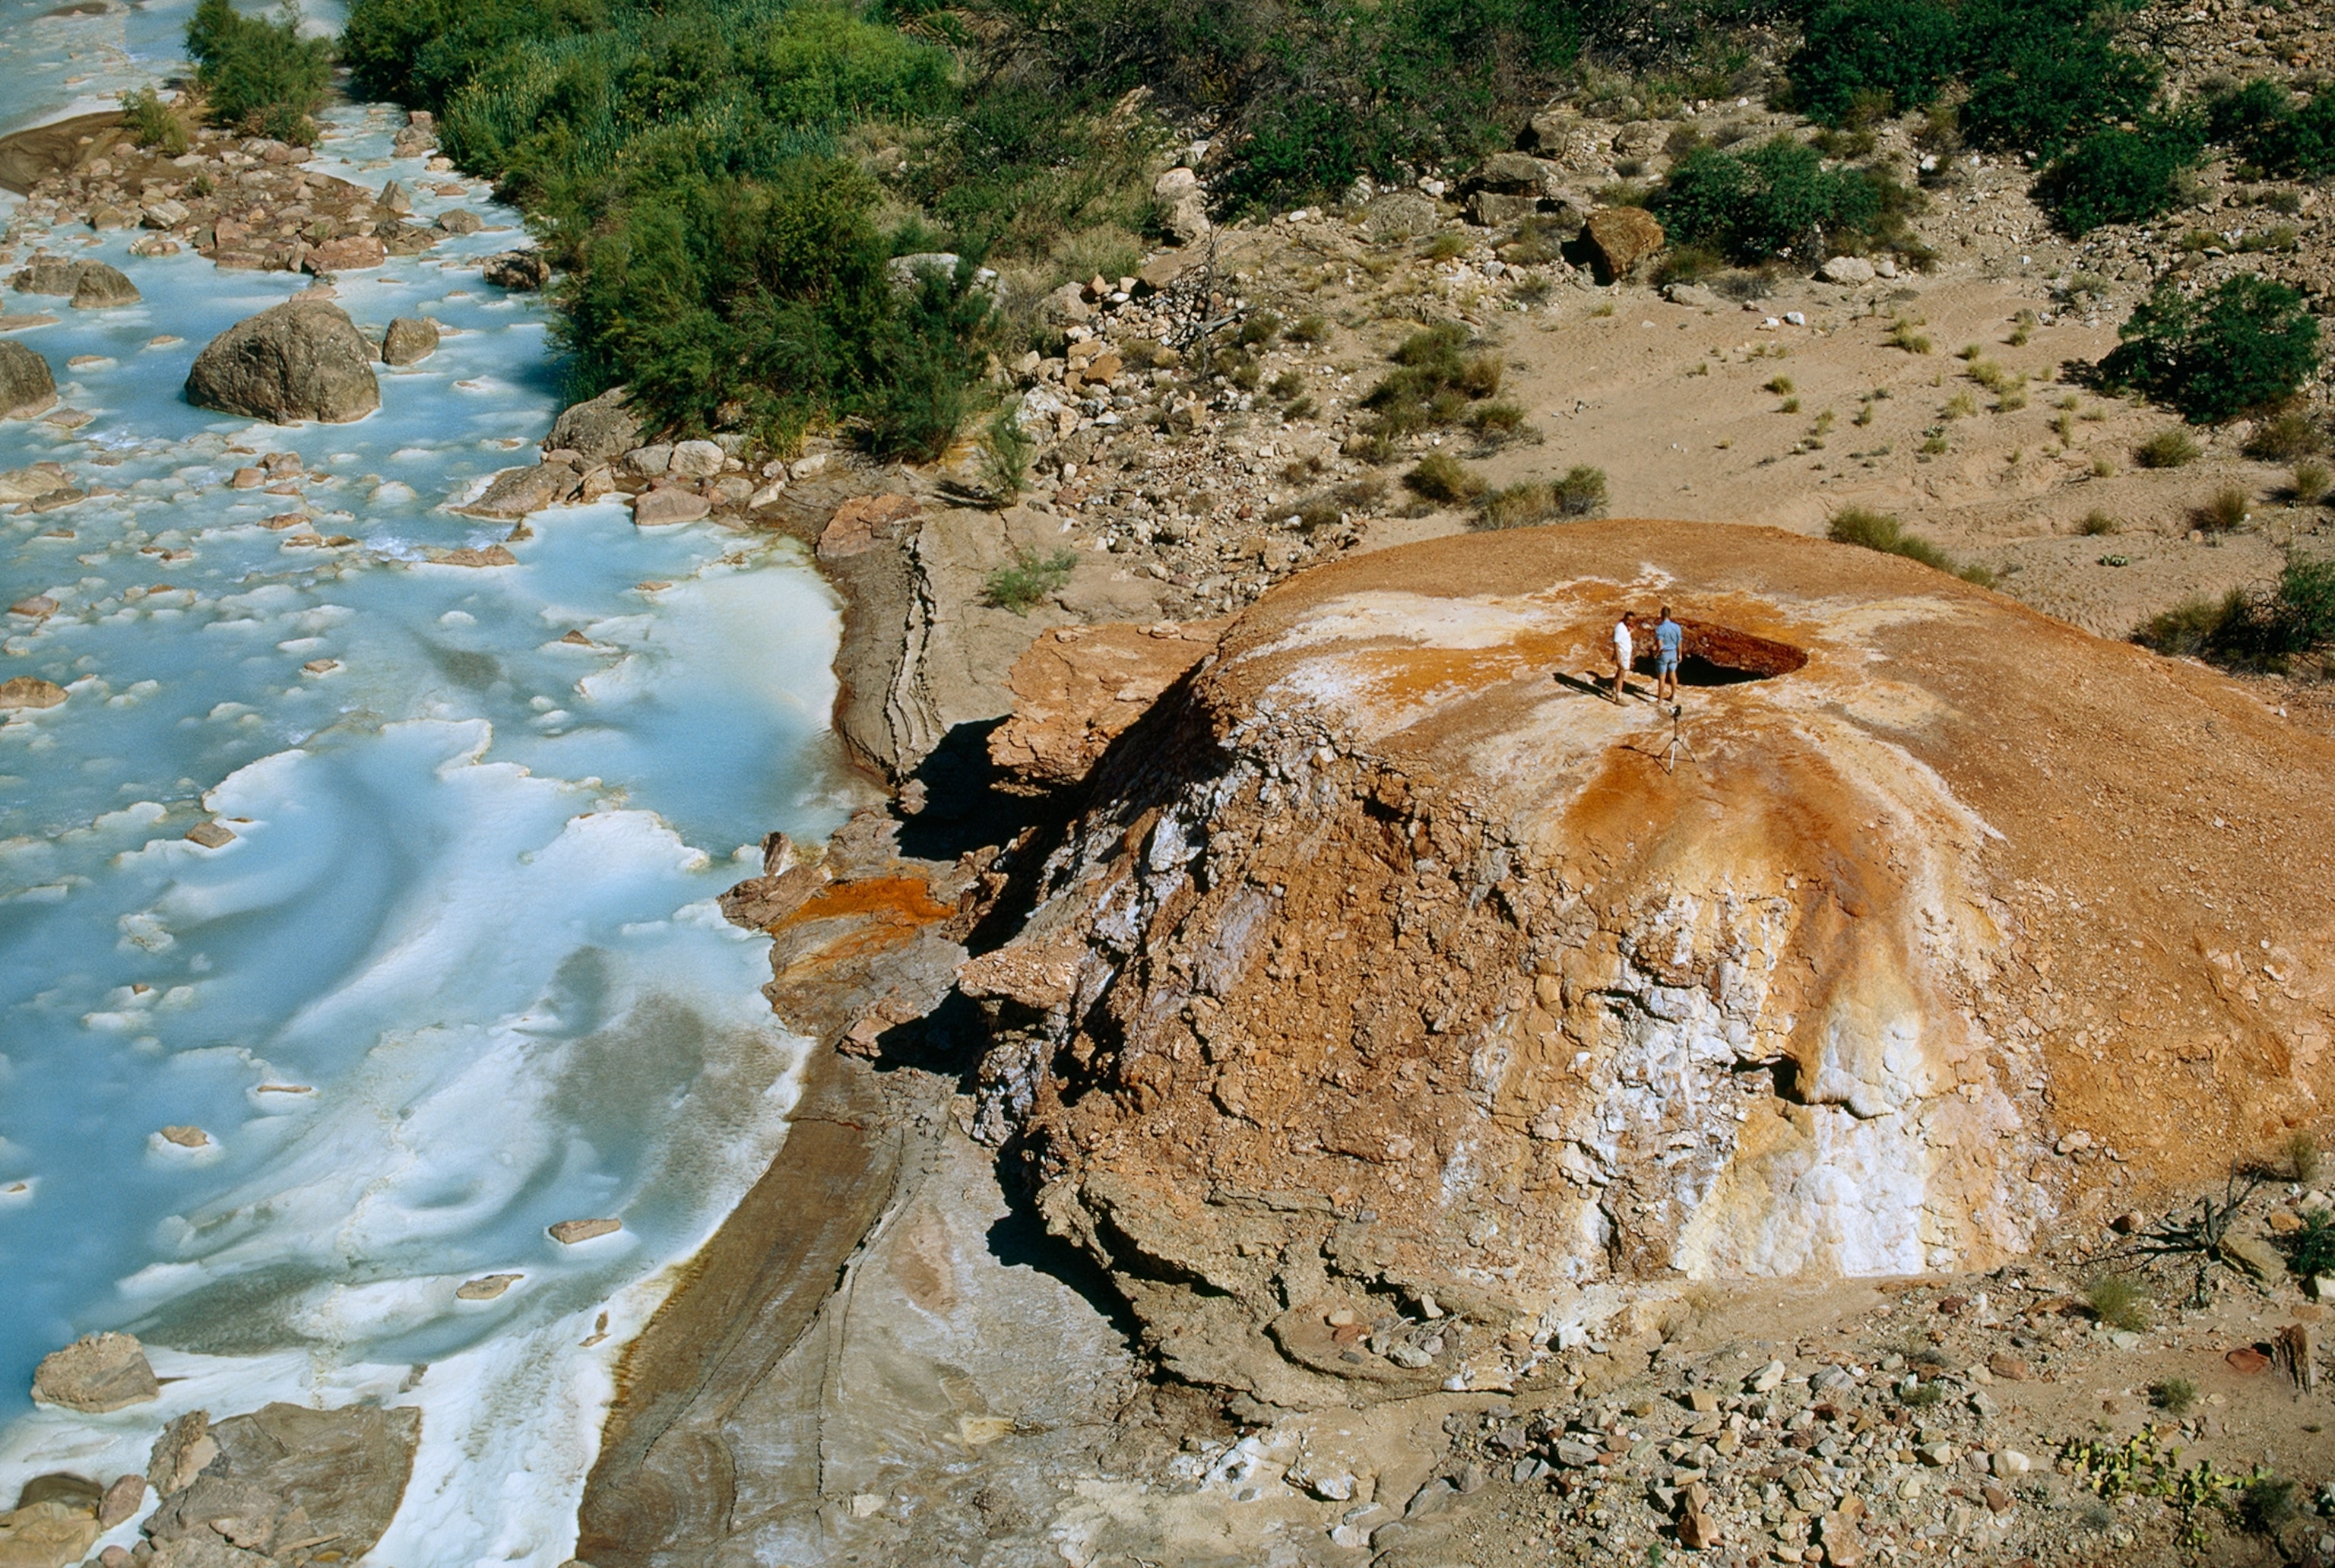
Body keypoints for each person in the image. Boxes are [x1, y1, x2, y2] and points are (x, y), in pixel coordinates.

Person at [1654, 604, 1684, 702]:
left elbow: (1660, 643)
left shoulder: (1660, 628)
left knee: (1662, 678)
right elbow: (1679, 641)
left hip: (1664, 653)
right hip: (1673, 653)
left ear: (1661, 615)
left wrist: (1656, 653)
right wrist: (1680, 654)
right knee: (1673, 674)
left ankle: (1660, 700)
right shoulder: (1677, 627)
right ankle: (1673, 696)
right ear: (1670, 615)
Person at [1609, 613, 1632, 702]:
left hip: (1625, 654)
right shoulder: (1620, 628)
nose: (1630, 622)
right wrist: (1618, 657)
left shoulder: (1626, 627)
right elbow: (1616, 643)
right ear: (1624, 618)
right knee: (1621, 674)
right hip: (1622, 654)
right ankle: (1619, 697)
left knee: (1620, 673)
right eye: (1628, 620)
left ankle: (1614, 690)